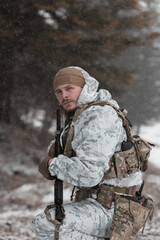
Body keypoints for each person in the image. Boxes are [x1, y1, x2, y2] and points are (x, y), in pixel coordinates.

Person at [32, 66, 152, 240]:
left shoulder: (98, 116)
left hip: (116, 210)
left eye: (69, 88)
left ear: (84, 87)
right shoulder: (81, 115)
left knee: (47, 224)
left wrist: (53, 165)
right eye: (58, 91)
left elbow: (89, 174)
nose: (64, 95)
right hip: (102, 202)